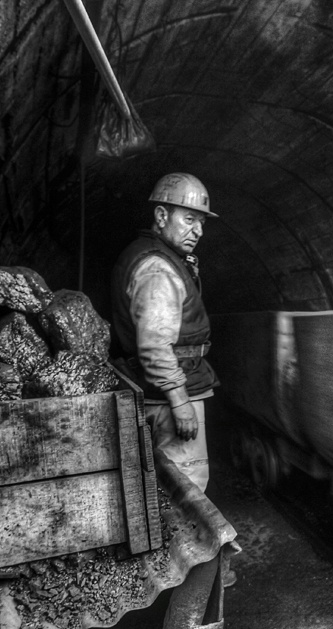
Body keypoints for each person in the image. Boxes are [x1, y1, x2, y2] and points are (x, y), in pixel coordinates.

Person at [111, 172, 219, 492]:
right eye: (189, 219)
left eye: (201, 222)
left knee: (162, 486)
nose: (198, 231)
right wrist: (180, 401)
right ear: (161, 216)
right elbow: (155, 344)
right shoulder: (158, 268)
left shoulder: (154, 256)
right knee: (185, 490)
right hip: (169, 395)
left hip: (159, 388)